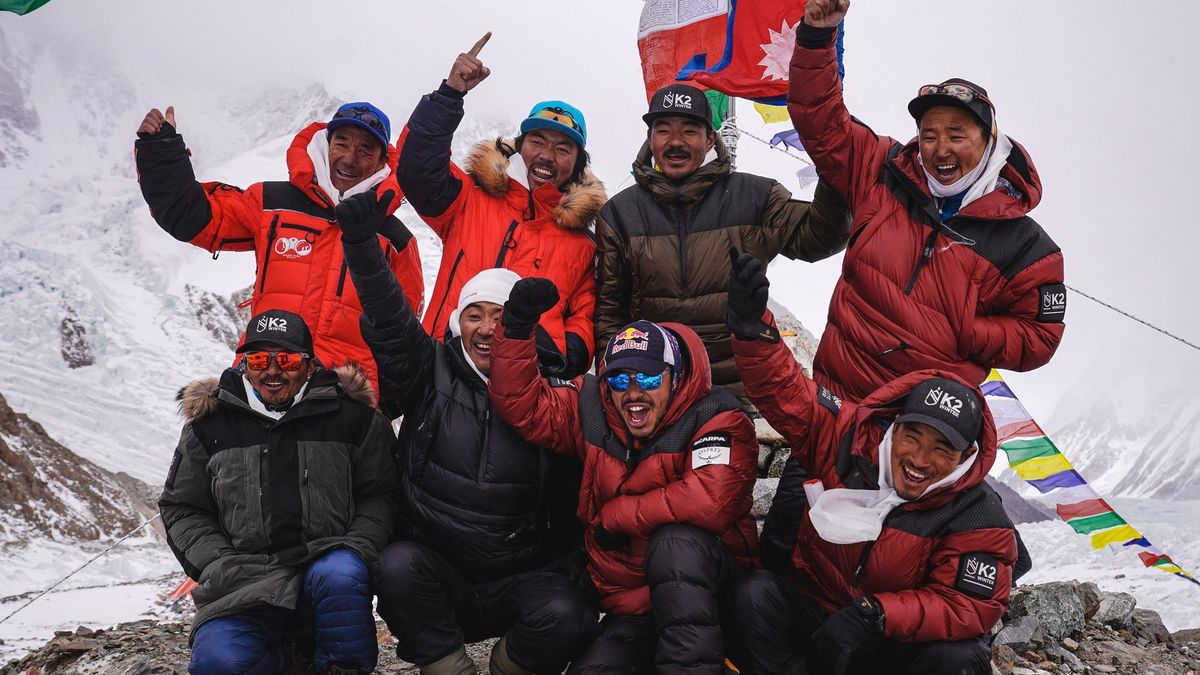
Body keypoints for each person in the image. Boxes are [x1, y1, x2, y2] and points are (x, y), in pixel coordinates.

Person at [761, 0, 1067, 573]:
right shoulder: (880, 171)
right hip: (836, 409)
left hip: (922, 432)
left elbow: (1041, 337)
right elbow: (817, 116)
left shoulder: (1027, 245)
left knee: (892, 568)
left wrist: (966, 330)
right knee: (786, 548)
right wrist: (818, 35)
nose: (941, 149)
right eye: (929, 134)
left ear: (989, 138)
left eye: (957, 134)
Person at [335, 190, 596, 675]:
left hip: (524, 573)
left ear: (521, 326)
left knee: (571, 614)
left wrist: (576, 558)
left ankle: (507, 666)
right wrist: (363, 249)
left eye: (500, 316)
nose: (486, 328)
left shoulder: (560, 390)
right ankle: (450, 667)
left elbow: (587, 484)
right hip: (438, 570)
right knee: (395, 566)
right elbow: (391, 322)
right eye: (474, 314)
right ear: (458, 323)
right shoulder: (429, 368)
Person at [724, 253, 1016, 675]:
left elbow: (967, 606)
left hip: (888, 644)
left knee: (960, 657)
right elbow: (790, 394)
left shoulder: (980, 517)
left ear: (966, 456)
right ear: (894, 427)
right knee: (754, 594)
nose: (919, 459)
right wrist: (753, 331)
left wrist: (874, 613)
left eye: (942, 449)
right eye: (912, 436)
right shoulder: (851, 439)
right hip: (817, 620)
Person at [489, 280, 758, 675]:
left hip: (716, 594)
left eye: (648, 379)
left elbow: (710, 501)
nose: (633, 392)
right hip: (635, 607)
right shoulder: (595, 409)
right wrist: (515, 329)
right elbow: (525, 408)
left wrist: (615, 516)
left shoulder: (716, 416)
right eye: (618, 379)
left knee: (676, 542)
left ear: (676, 375)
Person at [159, 309, 397, 675]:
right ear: (244, 364)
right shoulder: (210, 425)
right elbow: (183, 507)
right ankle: (290, 658)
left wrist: (357, 546)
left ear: (309, 365)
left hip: (326, 568)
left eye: (285, 359)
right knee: (218, 666)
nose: (271, 371)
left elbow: (381, 493)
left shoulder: (353, 418)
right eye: (258, 359)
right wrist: (216, 561)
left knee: (341, 572)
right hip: (242, 578)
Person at [134, 101, 424, 390]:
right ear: (326, 144)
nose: (350, 158)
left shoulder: (396, 241)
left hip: (343, 401)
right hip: (262, 380)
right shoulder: (273, 204)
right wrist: (162, 155)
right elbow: (193, 218)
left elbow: (401, 337)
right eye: (342, 142)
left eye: (365, 150)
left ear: (382, 161)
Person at [594, 82, 851, 403]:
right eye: (663, 130)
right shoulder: (620, 213)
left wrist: (832, 173)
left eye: (689, 131)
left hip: (740, 391)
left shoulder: (756, 196)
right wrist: (614, 387)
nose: (675, 142)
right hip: (654, 390)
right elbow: (609, 314)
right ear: (650, 139)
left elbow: (819, 238)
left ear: (710, 139)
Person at [398, 33, 604, 378]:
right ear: (519, 146)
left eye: (563, 148)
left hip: (529, 383)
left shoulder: (583, 243)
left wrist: (563, 357)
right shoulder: (469, 199)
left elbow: (583, 316)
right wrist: (450, 94)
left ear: (578, 163)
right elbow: (417, 170)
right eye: (537, 140)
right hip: (443, 368)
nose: (546, 156)